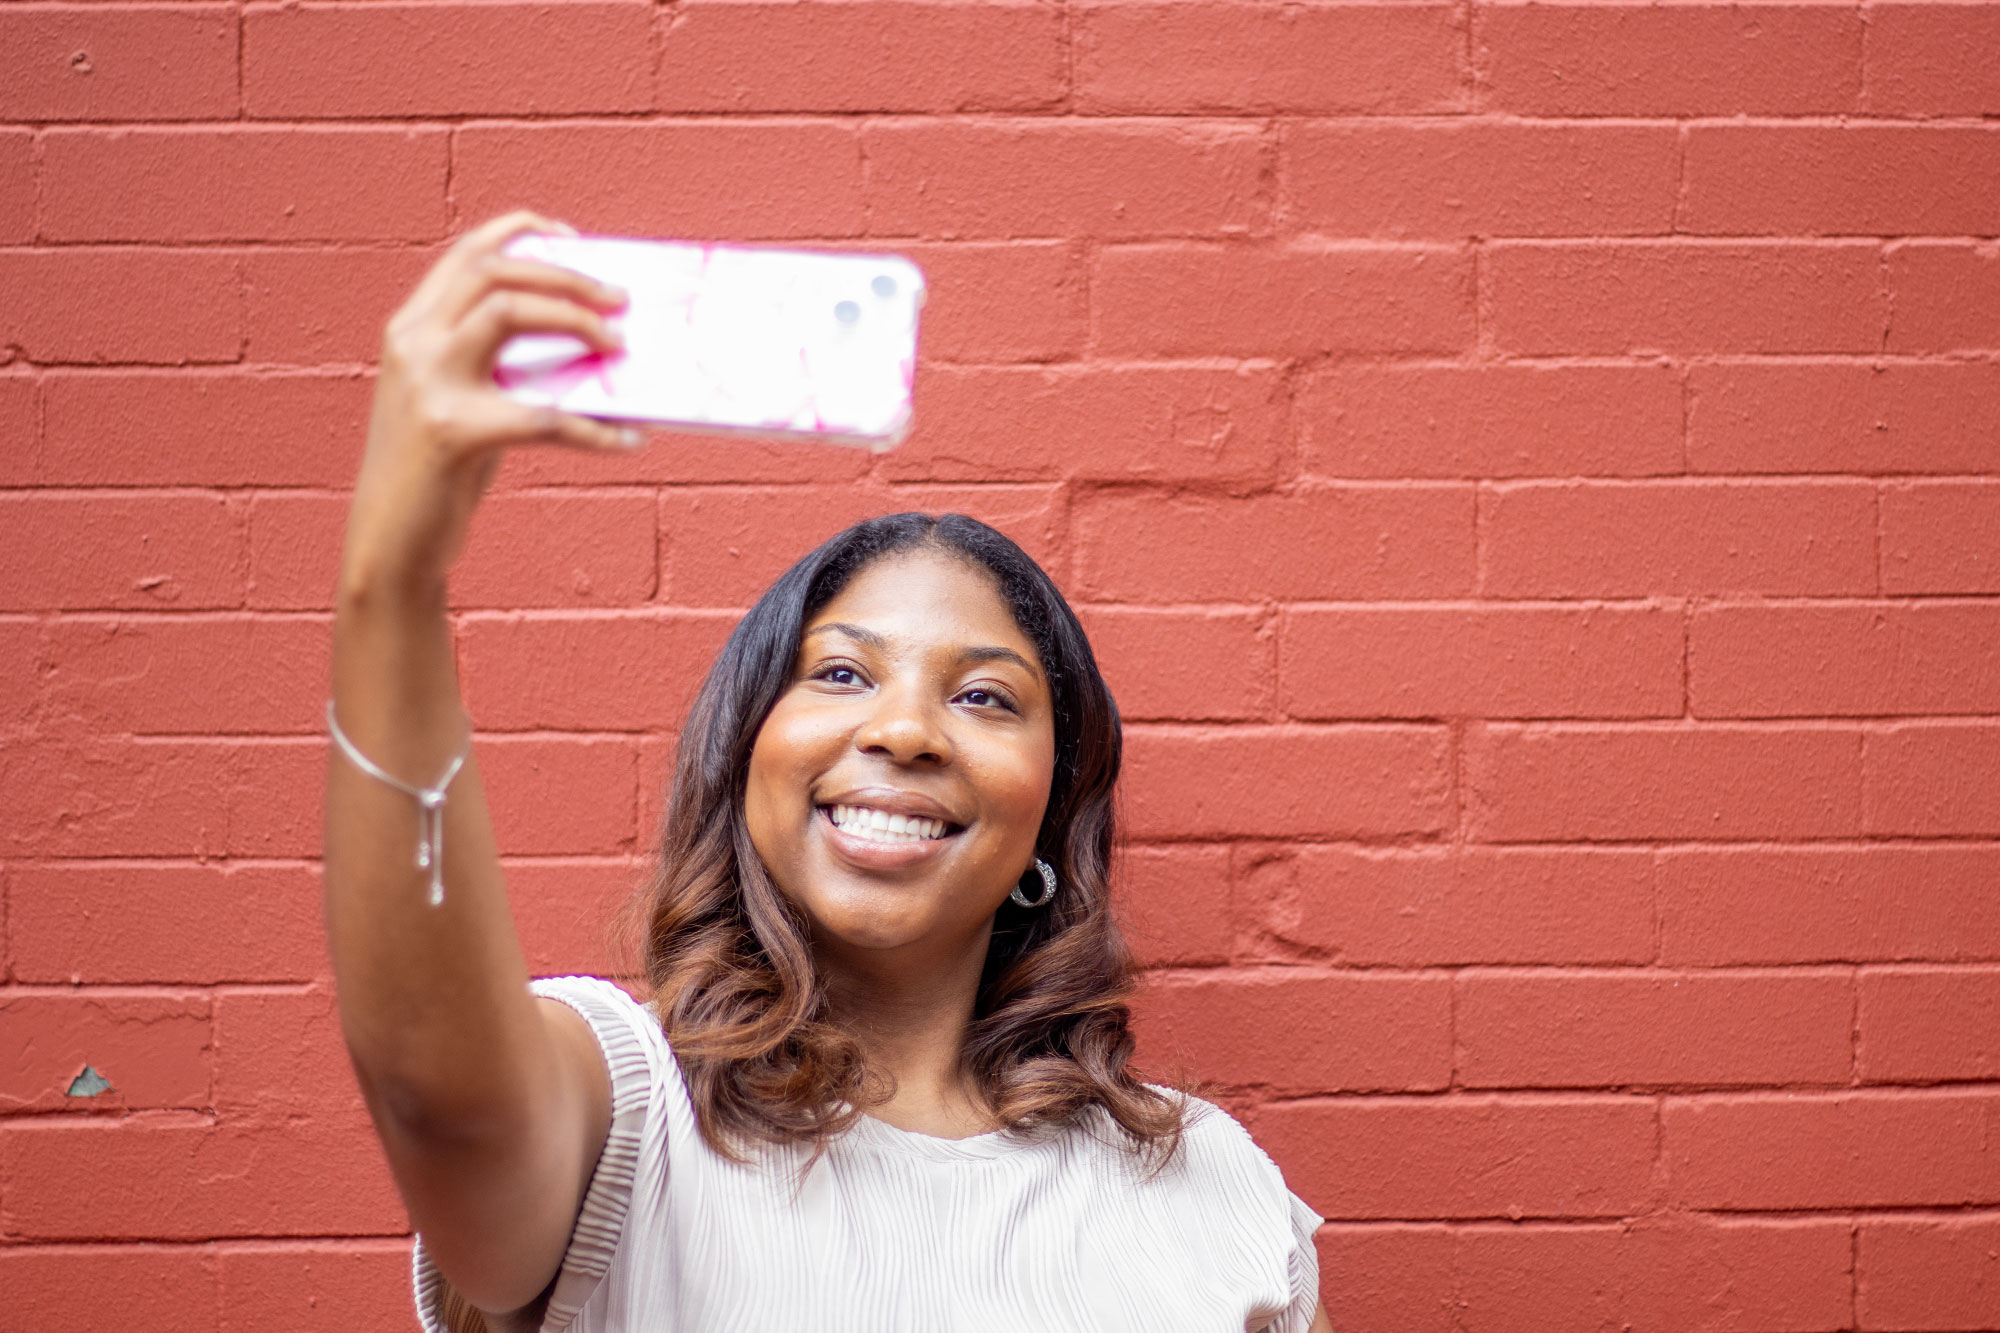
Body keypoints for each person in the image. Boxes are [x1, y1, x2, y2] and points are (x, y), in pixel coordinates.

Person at [326, 212, 1330, 1333]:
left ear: (1049, 811)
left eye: (984, 695)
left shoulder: (1208, 1186)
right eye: (841, 675)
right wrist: (391, 582)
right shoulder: (625, 1106)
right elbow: (433, 1092)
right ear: (746, 752)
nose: (905, 730)